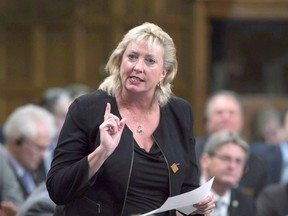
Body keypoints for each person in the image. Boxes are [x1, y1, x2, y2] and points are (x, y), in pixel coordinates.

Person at [46, 22, 215, 216]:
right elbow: (57, 189)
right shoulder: (87, 108)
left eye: (150, 61)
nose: (137, 67)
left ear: (164, 73)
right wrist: (102, 152)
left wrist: (197, 206)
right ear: (120, 62)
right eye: (132, 57)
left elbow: (187, 187)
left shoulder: (179, 112)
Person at [195, 90, 268, 198]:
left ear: (242, 120)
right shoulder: (189, 153)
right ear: (207, 120)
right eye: (219, 112)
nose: (226, 117)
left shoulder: (256, 163)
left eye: (232, 113)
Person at [1, 104, 56, 204]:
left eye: (46, 148)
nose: (43, 155)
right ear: (16, 142)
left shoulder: (34, 169)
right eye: (39, 148)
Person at [200, 130, 256, 216]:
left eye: (238, 161)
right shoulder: (185, 195)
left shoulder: (247, 204)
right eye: (225, 158)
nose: (232, 166)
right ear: (205, 161)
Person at [38, 87, 72, 176]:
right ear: (47, 114)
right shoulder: (31, 145)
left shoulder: (69, 144)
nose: (68, 122)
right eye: (63, 116)